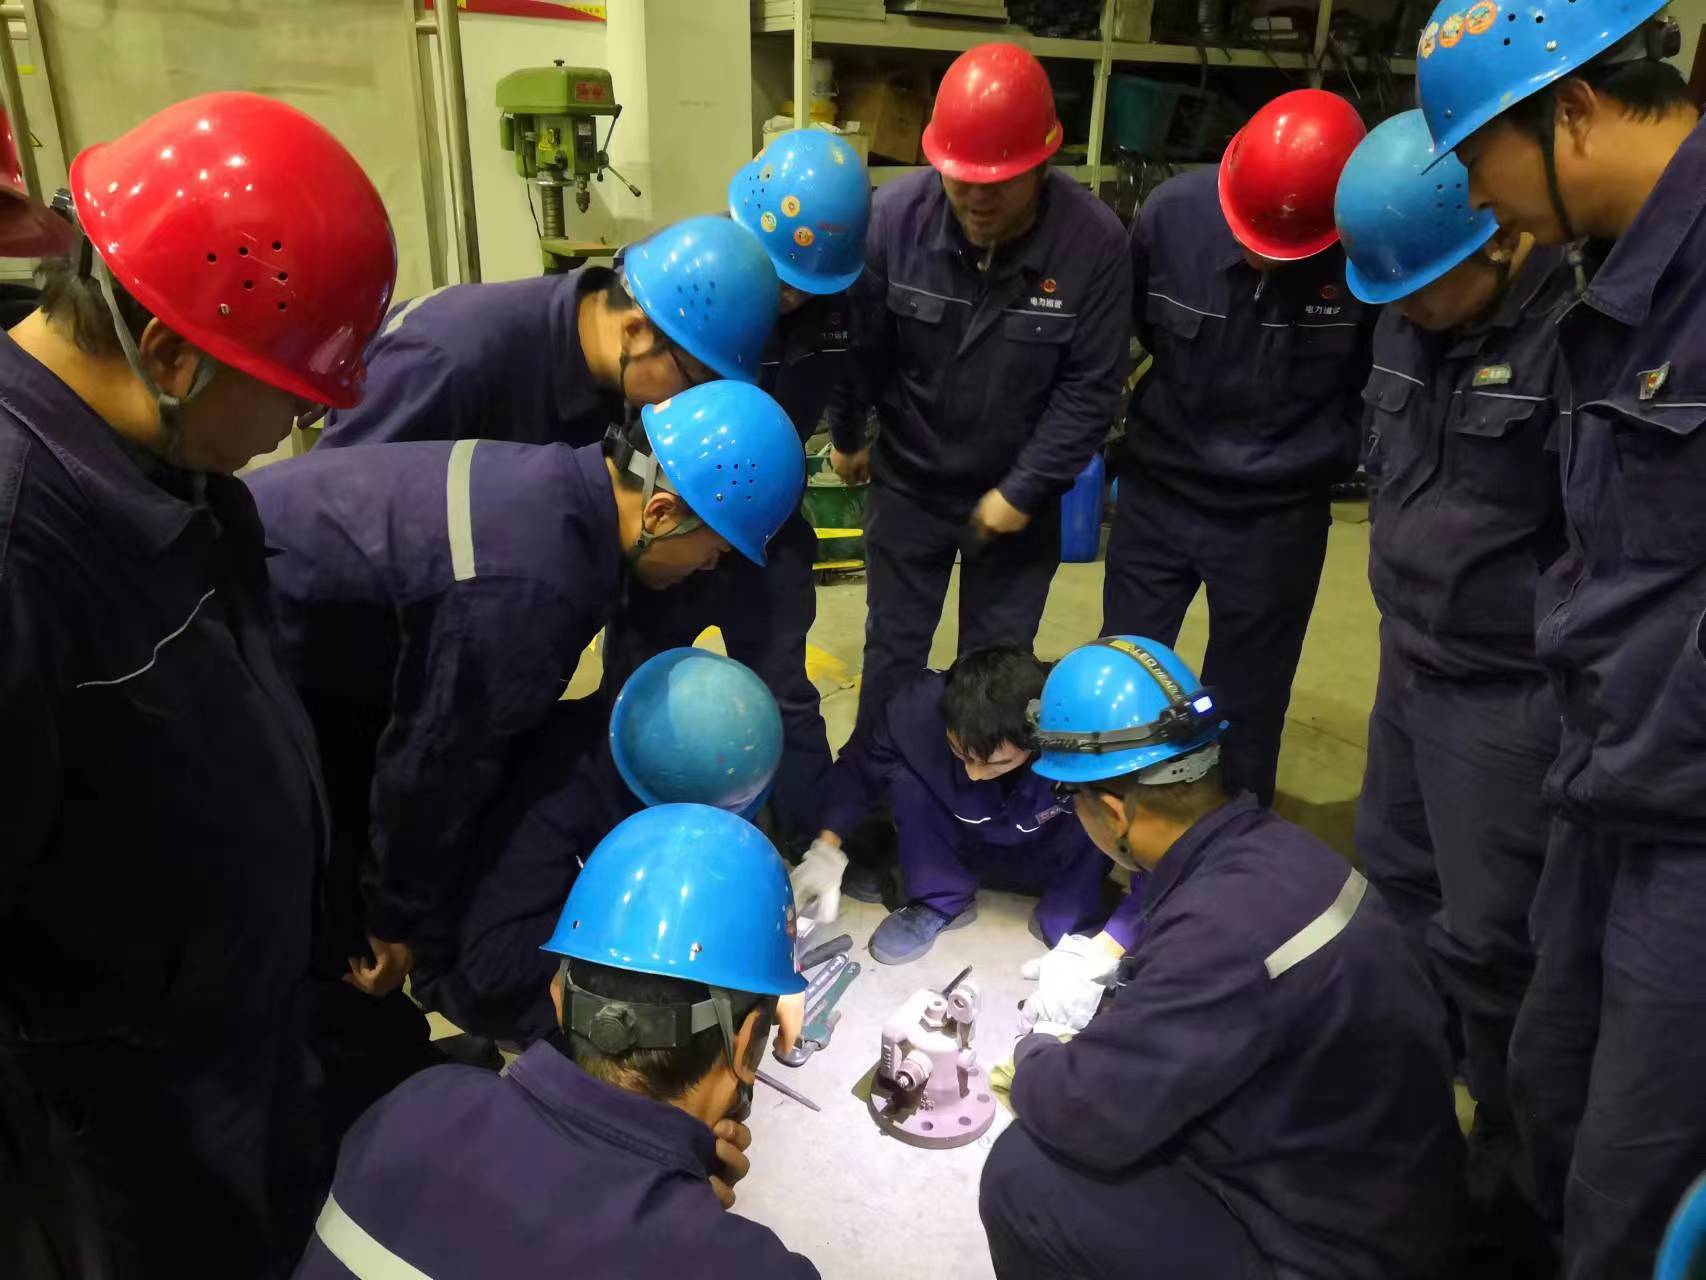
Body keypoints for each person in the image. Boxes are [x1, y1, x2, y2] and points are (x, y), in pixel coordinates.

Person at [0, 93, 396, 1278]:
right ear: (170, 353)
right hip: (133, 1117)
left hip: (240, 1037)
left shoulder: (169, 467)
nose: (296, 425)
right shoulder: (21, 545)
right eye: (288, 393)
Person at [246, 381, 804, 1142]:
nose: (709, 567)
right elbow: (435, 758)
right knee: (334, 954)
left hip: (313, 655)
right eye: (714, 548)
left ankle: (380, 1063)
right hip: (255, 678)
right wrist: (390, 918)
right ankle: (357, 1119)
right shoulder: (534, 587)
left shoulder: (556, 492)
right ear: (661, 513)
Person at [1416, 4, 1706, 1274]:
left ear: (1572, 110)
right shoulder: (1618, 275)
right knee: (1548, 1075)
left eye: (1478, 157)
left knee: (1634, 1161)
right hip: (1608, 771)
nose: (1477, 199)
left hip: (1687, 813)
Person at [979, 636, 1464, 1280]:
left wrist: (1035, 1054)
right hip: (1385, 1185)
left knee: (1023, 1174)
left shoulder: (1217, 931)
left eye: (1073, 801)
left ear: (1115, 812)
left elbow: (1090, 1114)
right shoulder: (1283, 855)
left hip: (1334, 1251)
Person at [1334, 108, 1572, 1259]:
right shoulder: (1405, 302)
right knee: (1390, 882)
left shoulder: (1577, 331)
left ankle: (1508, 1162)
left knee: (1491, 938)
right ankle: (1399, 1098)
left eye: (1422, 289)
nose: (1405, 311)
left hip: (1506, 692)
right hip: (1404, 657)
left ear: (1496, 234)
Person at [293, 804, 818, 1279]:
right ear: (747, 1042)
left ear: (558, 996)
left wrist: (674, 1218)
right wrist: (691, 1236)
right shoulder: (748, 1268)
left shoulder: (414, 1103)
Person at [829, 42, 1130, 730]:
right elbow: (860, 348)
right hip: (909, 484)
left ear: (1042, 163)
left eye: (999, 181)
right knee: (893, 651)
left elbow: (1090, 388)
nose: (975, 197)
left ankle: (982, 787)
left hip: (1017, 499)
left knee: (995, 672)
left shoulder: (1093, 244)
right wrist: (848, 434)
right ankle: (880, 778)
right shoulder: (893, 221)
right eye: (961, 177)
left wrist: (1022, 490)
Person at [601, 129, 870, 850]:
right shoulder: (679, 279)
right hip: (669, 520)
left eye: (804, 286)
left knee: (783, 690)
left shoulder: (839, 306)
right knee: (640, 688)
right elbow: (612, 411)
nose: (786, 297)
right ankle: (632, 840)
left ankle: (809, 843)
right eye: (778, 277)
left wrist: (848, 438)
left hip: (765, 529)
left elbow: (850, 377)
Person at [1103, 89, 1372, 807]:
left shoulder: (1367, 247)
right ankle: (1101, 835)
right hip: (1161, 493)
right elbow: (1130, 332)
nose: (1262, 260)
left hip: (1277, 517)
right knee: (1121, 677)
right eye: (1251, 240)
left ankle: (1233, 844)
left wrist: (1329, 451)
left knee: (1248, 702)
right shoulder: (1172, 216)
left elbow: (1379, 383)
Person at [417, 647, 785, 1044]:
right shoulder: (554, 799)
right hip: (472, 969)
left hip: (544, 912)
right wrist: (641, 917)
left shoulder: (661, 740)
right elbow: (494, 967)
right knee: (652, 1032)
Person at [793, 645, 1141, 967]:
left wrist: (1113, 942)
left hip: (1047, 845)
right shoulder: (914, 710)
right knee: (905, 781)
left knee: (1095, 798)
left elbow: (1160, 848)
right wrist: (827, 847)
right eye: (961, 754)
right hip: (958, 839)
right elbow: (858, 771)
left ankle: (1072, 916)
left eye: (995, 763)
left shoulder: (1077, 727)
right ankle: (938, 899)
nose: (974, 774)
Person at [313, 213, 778, 450]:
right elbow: (331, 517)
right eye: (694, 380)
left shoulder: (604, 370)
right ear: (635, 331)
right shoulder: (449, 361)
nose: (688, 401)